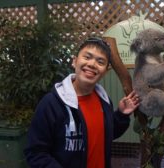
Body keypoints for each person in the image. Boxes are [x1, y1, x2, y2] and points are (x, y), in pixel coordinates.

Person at [24, 37, 140, 168]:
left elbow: (106, 136)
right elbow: (35, 153)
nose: (92, 64)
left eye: (100, 62)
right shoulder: (51, 104)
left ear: (105, 72)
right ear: (75, 61)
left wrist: (121, 114)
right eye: (87, 57)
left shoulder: (104, 101)